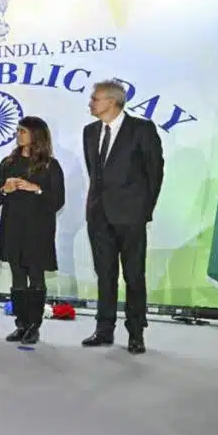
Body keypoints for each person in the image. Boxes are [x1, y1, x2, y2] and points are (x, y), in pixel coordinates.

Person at [82, 80, 163, 354]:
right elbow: (95, 174)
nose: (91, 103)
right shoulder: (90, 131)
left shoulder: (141, 129)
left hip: (131, 216)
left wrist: (144, 210)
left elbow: (155, 171)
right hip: (99, 215)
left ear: (111, 101)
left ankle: (136, 332)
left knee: (134, 275)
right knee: (105, 275)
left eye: (95, 99)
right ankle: (104, 330)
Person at [0, 117, 66, 345]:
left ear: (36, 135)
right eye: (18, 130)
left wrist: (37, 189)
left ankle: (34, 326)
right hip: (12, 226)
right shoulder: (8, 163)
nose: (18, 134)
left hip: (38, 229)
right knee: (17, 277)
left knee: (36, 276)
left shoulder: (50, 165)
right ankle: (21, 324)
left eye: (23, 131)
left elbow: (58, 201)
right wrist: (5, 189)